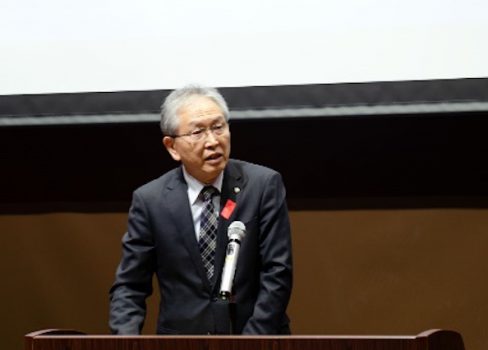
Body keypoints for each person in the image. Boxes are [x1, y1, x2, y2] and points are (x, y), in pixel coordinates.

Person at [109, 85, 293, 335]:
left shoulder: (262, 186)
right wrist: (126, 342)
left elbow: (277, 273)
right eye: (198, 132)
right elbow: (130, 286)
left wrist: (251, 343)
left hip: (255, 338)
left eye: (218, 127)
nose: (213, 141)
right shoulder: (150, 200)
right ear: (172, 146)